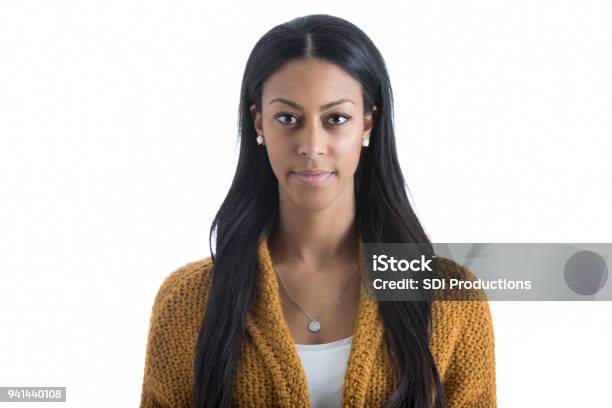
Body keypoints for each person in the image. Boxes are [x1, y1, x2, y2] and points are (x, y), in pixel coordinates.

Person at [140, 14, 496, 408]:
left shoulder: (450, 298)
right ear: (259, 122)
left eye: (336, 119)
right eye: (288, 118)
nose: (311, 145)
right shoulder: (187, 300)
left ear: (367, 124)